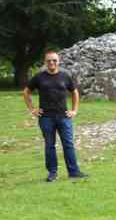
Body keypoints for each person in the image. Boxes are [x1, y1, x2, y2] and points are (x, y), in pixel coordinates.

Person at [22, 51, 88, 182]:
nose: (52, 63)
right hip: (46, 118)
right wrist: (32, 109)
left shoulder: (65, 76)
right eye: (49, 61)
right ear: (45, 62)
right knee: (49, 145)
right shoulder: (39, 77)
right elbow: (26, 92)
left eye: (54, 60)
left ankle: (74, 172)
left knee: (68, 144)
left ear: (59, 61)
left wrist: (74, 110)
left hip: (64, 117)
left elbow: (74, 92)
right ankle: (53, 173)